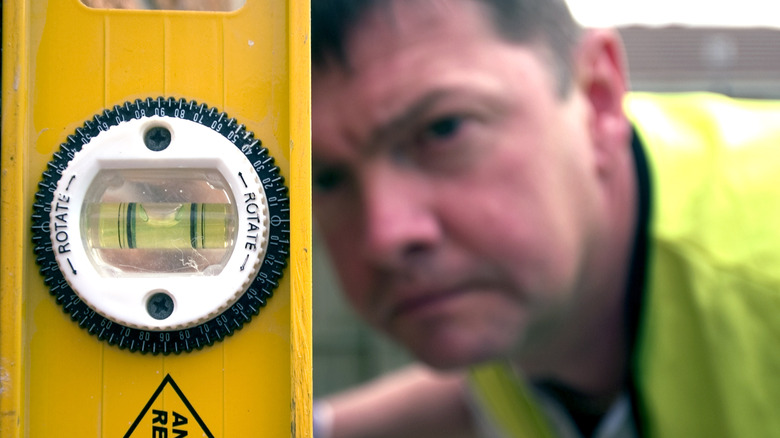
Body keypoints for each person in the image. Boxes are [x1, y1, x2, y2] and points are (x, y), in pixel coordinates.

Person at [310, 0, 780, 437]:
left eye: (443, 129)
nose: (385, 234)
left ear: (597, 98)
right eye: (326, 177)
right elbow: (481, 394)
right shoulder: (528, 297)